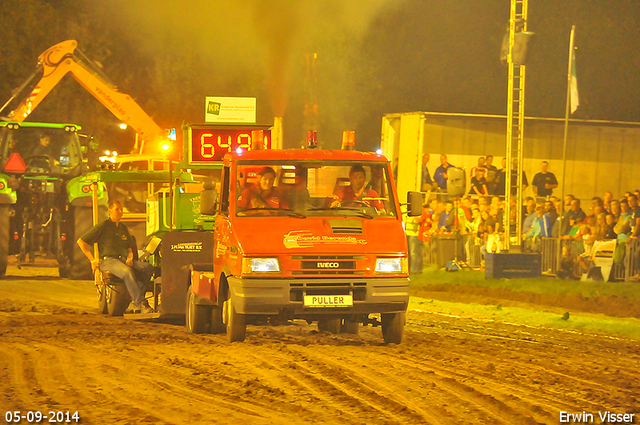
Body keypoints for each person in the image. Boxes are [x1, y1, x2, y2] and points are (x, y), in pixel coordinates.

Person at [77, 200, 154, 313]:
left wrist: (130, 257)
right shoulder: (104, 226)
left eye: (121, 209)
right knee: (127, 272)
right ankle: (141, 303)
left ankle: (135, 302)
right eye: (117, 209)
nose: (120, 212)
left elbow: (129, 246)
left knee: (148, 268)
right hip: (109, 260)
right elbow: (81, 241)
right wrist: (92, 260)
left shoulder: (123, 228)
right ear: (110, 211)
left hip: (122, 259)